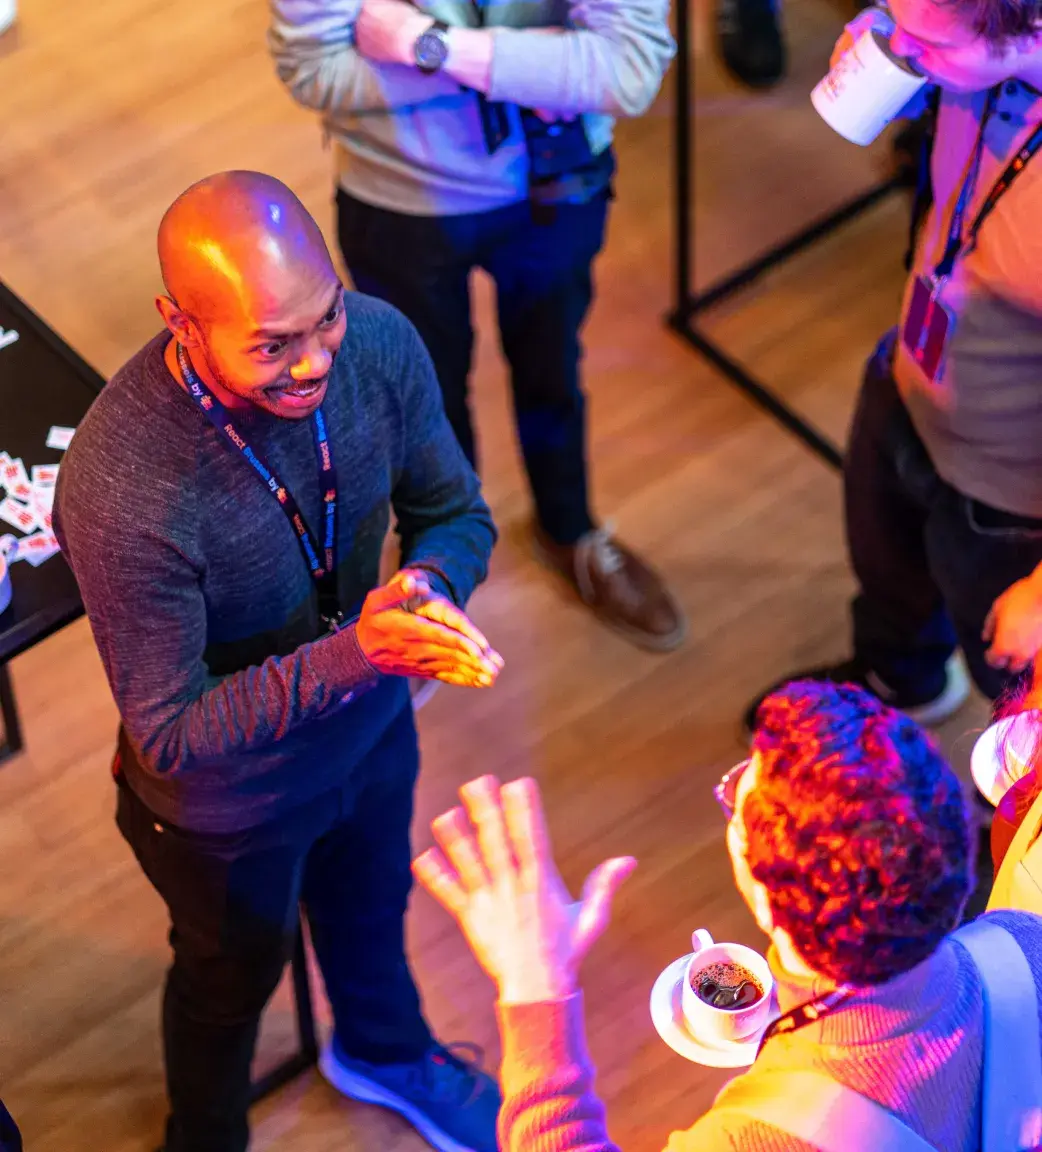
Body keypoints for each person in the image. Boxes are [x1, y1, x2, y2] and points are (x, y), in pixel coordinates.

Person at [53, 171, 504, 1152]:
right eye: (272, 346)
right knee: (229, 984)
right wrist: (360, 654)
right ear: (180, 323)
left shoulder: (375, 341)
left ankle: (386, 1050)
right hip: (228, 812)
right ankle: (203, 1138)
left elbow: (455, 512)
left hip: (374, 731)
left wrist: (428, 585)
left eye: (323, 319)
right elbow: (170, 733)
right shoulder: (122, 490)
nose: (313, 364)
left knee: (373, 907)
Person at [413, 680, 1042, 1150]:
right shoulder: (1023, 944)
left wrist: (536, 987)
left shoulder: (755, 1137)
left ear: (763, 895)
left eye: (736, 802)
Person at [269, 0, 687, 654]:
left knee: (552, 371)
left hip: (556, 182)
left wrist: (426, 47)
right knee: (424, 401)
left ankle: (568, 530)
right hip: (397, 197)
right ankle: (439, 567)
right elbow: (313, 67)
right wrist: (543, 63)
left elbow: (628, 68)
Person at [743, 0, 1042, 734]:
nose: (897, 43)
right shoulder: (971, 47)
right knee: (889, 578)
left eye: (926, 39)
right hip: (909, 374)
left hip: (1009, 499)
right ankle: (896, 678)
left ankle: (1002, 833)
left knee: (1011, 703)